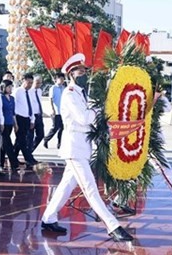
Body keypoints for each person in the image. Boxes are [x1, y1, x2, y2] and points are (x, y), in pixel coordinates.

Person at [41, 53, 133, 242]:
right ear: (71, 74)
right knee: (90, 187)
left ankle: (48, 218)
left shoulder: (81, 94)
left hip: (82, 148)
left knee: (66, 186)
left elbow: (90, 119)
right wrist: (99, 111)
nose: (84, 74)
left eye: (84, 70)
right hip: (74, 148)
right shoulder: (69, 94)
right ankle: (112, 226)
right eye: (80, 71)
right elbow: (84, 118)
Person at [13, 73, 38, 167]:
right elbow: (13, 106)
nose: (30, 85)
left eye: (31, 83)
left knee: (20, 140)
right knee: (22, 140)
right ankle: (28, 158)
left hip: (27, 118)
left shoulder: (30, 92)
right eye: (28, 82)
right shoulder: (17, 91)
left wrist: (32, 119)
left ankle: (13, 157)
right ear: (23, 81)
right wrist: (14, 122)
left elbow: (31, 106)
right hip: (19, 118)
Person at [0, 79, 19, 172]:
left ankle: (1, 164)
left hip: (10, 123)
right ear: (4, 87)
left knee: (3, 145)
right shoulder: (0, 97)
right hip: (3, 124)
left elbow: (13, 112)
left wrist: (15, 124)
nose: (10, 89)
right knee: (8, 144)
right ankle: (14, 162)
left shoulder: (12, 98)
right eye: (9, 87)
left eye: (11, 87)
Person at [43, 72, 65, 149]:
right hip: (56, 111)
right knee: (55, 128)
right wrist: (52, 109)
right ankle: (46, 139)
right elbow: (51, 99)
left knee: (62, 128)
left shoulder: (64, 88)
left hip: (63, 111)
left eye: (63, 79)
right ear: (56, 79)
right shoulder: (53, 88)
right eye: (60, 79)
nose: (62, 80)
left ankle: (59, 143)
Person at [30, 75, 46, 151]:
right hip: (31, 115)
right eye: (37, 83)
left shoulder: (39, 91)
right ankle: (28, 153)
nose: (39, 85)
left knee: (41, 134)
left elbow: (39, 102)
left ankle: (31, 150)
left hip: (39, 115)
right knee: (30, 135)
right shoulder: (29, 91)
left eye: (40, 83)